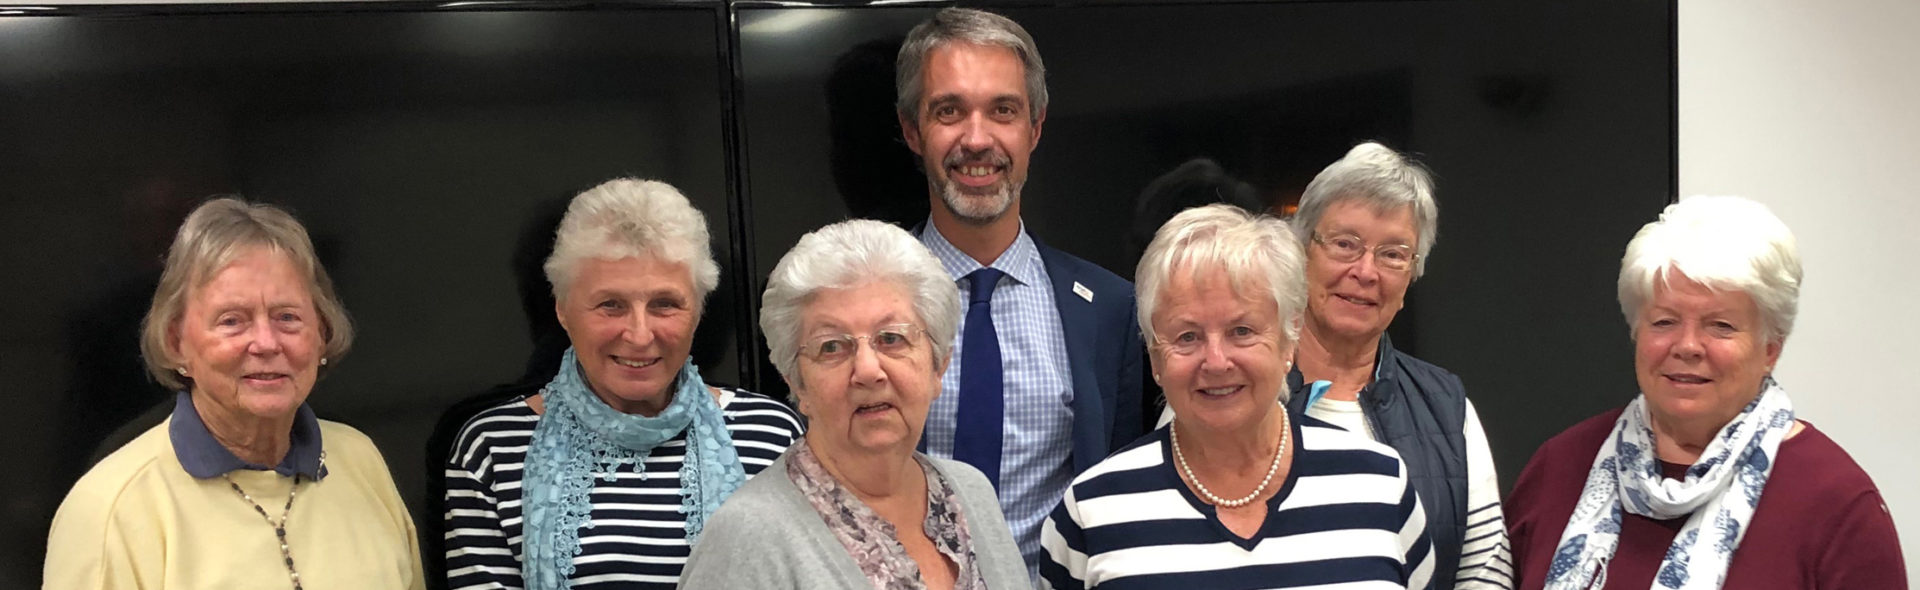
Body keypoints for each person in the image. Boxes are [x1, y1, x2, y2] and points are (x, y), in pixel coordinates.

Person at [1505, 196, 1907, 589]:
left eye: (1721, 326)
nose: (1688, 346)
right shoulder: (1560, 466)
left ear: (1772, 348)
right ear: (1636, 332)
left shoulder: (1838, 503)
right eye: (1664, 322)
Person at [1042, 204, 1433, 589]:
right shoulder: (1091, 512)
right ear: (1156, 358)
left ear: (1287, 339)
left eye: (1242, 331)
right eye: (1187, 336)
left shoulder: (1379, 483)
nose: (1215, 361)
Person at [44, 197, 424, 589]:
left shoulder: (360, 461)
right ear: (176, 343)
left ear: (322, 332)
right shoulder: (111, 508)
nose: (265, 342)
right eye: (232, 321)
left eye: (287, 317)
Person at [443, 178, 804, 590]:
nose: (638, 334)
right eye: (610, 304)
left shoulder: (774, 435)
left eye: (664, 304)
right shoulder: (493, 446)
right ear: (563, 310)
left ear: (698, 310)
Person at [894, 7, 1145, 576]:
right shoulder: (857, 302)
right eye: (949, 111)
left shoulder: (1110, 309)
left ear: (1034, 128)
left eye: (1003, 111)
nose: (977, 139)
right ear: (913, 131)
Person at [679, 219, 1029, 589]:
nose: (867, 370)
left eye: (891, 338)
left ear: (938, 366)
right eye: (831, 346)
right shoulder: (747, 535)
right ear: (797, 383)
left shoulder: (971, 491)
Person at [1286, 142, 1509, 588]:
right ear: (1301, 250)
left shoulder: (1446, 405)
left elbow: (1486, 573)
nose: (1366, 271)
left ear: (1411, 275)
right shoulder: (1234, 385)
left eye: (1392, 254)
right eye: (1346, 244)